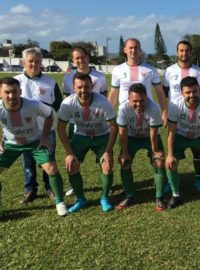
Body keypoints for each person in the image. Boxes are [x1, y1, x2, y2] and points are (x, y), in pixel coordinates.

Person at [0, 77, 67, 216]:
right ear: (0, 93)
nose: (11, 95)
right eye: (7, 92)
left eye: (14, 91)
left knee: (52, 169)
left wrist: (44, 137)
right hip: (11, 145)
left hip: (35, 142)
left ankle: (60, 202)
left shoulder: (33, 105)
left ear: (20, 91)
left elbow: (50, 115)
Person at [57, 73, 118, 213]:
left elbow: (113, 127)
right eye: (79, 87)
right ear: (73, 88)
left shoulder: (103, 102)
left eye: (86, 87)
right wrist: (69, 153)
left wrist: (108, 151)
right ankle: (81, 199)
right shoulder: (67, 104)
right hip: (80, 135)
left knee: (107, 166)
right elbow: (60, 128)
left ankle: (104, 197)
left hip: (101, 135)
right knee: (71, 166)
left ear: (92, 86)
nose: (83, 90)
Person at [14, 47, 62, 204]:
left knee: (48, 160)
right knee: (28, 163)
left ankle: (49, 188)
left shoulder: (50, 82)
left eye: (37, 61)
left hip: (46, 131)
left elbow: (57, 103)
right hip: (24, 132)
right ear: (23, 62)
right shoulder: (16, 81)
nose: (34, 64)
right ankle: (30, 189)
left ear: (41, 63)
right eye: (30, 61)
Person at [165, 76, 200, 209]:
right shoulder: (175, 105)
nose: (192, 95)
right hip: (181, 136)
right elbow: (171, 131)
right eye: (188, 92)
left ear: (199, 90)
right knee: (170, 163)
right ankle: (176, 195)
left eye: (194, 91)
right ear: (182, 93)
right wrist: (170, 154)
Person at [62, 46, 108, 197]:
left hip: (97, 123)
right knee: (75, 156)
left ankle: (105, 187)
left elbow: (104, 98)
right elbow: (66, 99)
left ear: (88, 57)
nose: (80, 60)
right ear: (73, 60)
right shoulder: (68, 77)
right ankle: (74, 186)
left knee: (103, 158)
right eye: (76, 58)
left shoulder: (99, 77)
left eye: (82, 57)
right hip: (76, 122)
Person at [163, 40, 200, 192]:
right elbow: (164, 92)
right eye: (181, 50)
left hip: (195, 115)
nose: (184, 53)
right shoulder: (169, 71)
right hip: (176, 115)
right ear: (177, 52)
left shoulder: (198, 72)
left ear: (191, 52)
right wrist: (165, 111)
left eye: (187, 50)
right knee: (173, 147)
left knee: (197, 149)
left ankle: (198, 178)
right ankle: (170, 180)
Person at [116, 83, 166, 211]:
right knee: (124, 162)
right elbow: (122, 132)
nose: (139, 104)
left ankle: (159, 197)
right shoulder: (123, 108)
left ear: (147, 97)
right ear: (129, 99)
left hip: (150, 137)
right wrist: (124, 152)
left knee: (159, 161)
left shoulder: (154, 107)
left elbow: (153, 133)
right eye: (135, 101)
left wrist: (155, 151)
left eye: (142, 100)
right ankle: (129, 195)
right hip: (131, 137)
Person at [108, 38, 167, 122]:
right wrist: (108, 113)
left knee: (152, 135)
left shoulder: (151, 69)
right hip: (126, 113)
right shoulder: (117, 70)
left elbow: (159, 92)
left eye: (136, 48)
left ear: (140, 50)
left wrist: (165, 111)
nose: (133, 50)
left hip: (147, 112)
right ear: (125, 50)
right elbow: (113, 93)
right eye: (130, 48)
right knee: (124, 135)